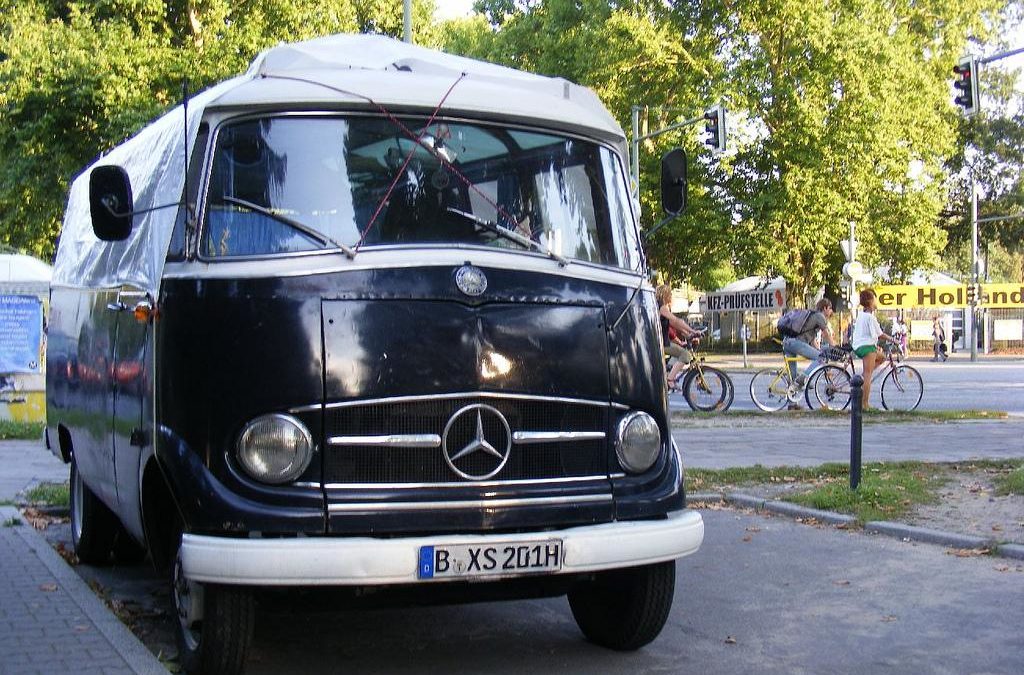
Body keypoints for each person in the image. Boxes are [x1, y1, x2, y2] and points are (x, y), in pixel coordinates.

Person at [851, 288, 893, 411]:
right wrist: (893, 340)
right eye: (874, 300)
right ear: (870, 301)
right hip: (866, 347)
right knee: (869, 375)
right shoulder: (870, 317)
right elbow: (879, 334)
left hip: (859, 346)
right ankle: (865, 404)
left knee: (882, 357)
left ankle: (862, 378)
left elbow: (870, 334)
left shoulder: (861, 315)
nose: (876, 303)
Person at [781, 298, 836, 387]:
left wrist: (818, 351)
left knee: (793, 380)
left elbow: (812, 340)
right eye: (830, 308)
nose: (831, 311)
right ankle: (804, 377)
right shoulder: (820, 316)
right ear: (825, 308)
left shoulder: (811, 315)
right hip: (797, 343)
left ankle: (792, 399)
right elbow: (826, 334)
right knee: (822, 358)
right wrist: (834, 346)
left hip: (787, 342)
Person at [656, 284, 702, 389]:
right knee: (686, 355)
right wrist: (693, 331)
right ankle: (670, 380)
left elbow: (674, 325)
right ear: (666, 295)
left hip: (662, 341)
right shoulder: (662, 308)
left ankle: (668, 374)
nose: (672, 297)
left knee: (679, 353)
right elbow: (677, 321)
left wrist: (688, 334)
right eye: (670, 294)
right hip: (661, 343)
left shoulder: (661, 307)